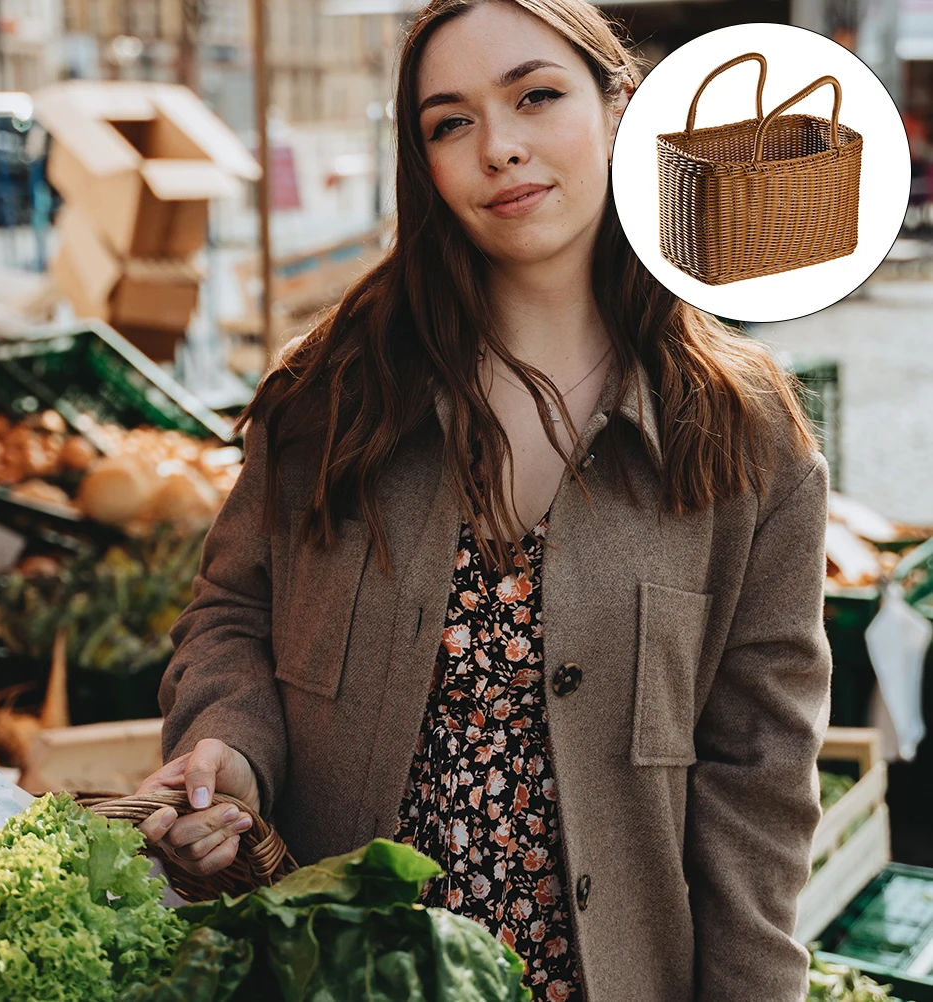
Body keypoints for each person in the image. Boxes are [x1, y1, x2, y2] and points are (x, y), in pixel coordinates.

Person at [136, 2, 833, 1000]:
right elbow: (234, 612)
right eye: (449, 122)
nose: (499, 148)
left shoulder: (744, 440)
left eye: (536, 96)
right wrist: (228, 751)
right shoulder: (333, 393)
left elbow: (758, 787)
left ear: (618, 104)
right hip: (340, 972)